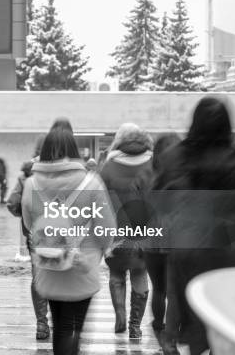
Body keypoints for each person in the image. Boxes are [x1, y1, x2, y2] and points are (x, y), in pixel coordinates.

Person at [152, 97, 235, 355]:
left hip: (189, 249)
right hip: (227, 252)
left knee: (196, 324)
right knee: (224, 324)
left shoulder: (174, 157)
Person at [21, 123, 115, 355]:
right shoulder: (91, 183)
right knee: (74, 328)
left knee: (61, 327)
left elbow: (27, 224)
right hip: (81, 267)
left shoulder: (31, 184)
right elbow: (107, 230)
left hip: (48, 266)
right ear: (74, 150)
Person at [99, 123, 153, 339]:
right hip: (144, 232)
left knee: (117, 274)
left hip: (116, 232)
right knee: (140, 274)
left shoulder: (109, 166)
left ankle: (120, 313)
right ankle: (135, 326)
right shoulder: (153, 163)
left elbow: (100, 200)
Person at [132, 133, 181, 354]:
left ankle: (160, 329)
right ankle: (169, 338)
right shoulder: (183, 176)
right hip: (177, 241)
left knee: (159, 290)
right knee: (174, 292)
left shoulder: (144, 176)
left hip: (150, 240)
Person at [6, 135, 50, 340]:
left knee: (39, 275)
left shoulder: (27, 173)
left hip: (35, 232)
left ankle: (42, 323)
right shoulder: (67, 170)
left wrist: (24, 217)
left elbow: (12, 203)